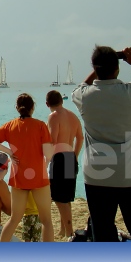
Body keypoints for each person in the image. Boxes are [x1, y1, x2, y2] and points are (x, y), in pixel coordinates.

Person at [72, 46, 131, 242]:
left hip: (97, 172)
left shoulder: (84, 97)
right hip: (130, 172)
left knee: (103, 232)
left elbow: (79, 86)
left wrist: (97, 69)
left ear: (95, 68)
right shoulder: (130, 92)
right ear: (117, 68)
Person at [0, 93, 54, 242]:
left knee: (14, 219)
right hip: (38, 177)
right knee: (46, 220)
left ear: (17, 108)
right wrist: (45, 163)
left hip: (19, 177)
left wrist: (9, 151)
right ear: (33, 108)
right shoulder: (41, 125)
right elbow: (48, 153)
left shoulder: (10, 125)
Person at [46, 89, 83, 238]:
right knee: (65, 197)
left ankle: (69, 232)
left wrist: (45, 159)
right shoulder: (73, 116)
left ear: (47, 104)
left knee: (58, 198)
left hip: (59, 157)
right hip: (70, 157)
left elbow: (53, 140)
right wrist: (74, 155)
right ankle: (63, 229)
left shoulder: (54, 116)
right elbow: (80, 138)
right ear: (62, 100)